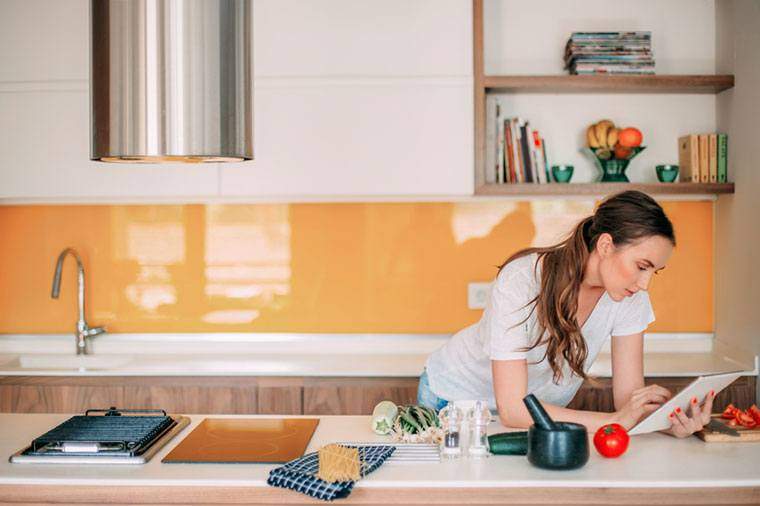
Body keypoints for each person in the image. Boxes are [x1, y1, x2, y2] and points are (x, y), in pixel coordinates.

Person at [419, 190, 713, 438]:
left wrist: (669, 423)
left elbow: (629, 403)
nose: (645, 283)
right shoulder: (522, 279)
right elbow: (513, 409)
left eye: (654, 271)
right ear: (606, 245)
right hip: (456, 400)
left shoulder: (629, 297)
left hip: (537, 418)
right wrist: (613, 422)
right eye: (641, 266)